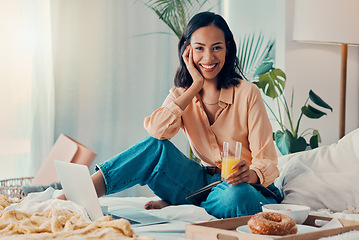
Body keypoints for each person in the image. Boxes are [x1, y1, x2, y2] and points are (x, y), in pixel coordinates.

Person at [90, 11, 282, 219]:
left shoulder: (247, 93)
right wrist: (195, 86)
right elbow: (157, 131)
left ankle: (184, 204)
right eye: (199, 48)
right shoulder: (181, 95)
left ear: (227, 48)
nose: (208, 57)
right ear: (187, 51)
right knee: (155, 148)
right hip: (202, 183)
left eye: (217, 47)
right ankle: (78, 196)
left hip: (245, 188)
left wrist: (251, 174)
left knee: (238, 197)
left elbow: (268, 161)